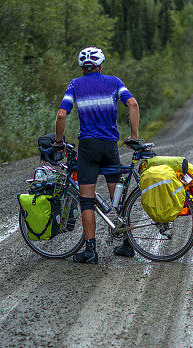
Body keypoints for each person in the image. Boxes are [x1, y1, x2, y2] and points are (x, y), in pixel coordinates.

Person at [53, 46, 140, 264]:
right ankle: (127, 244)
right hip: (110, 146)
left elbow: (62, 114)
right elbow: (133, 103)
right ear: (100, 65)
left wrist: (58, 141)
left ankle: (91, 251)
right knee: (116, 199)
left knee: (87, 201)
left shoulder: (75, 85)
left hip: (89, 148)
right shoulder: (114, 82)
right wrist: (134, 136)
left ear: (83, 67)